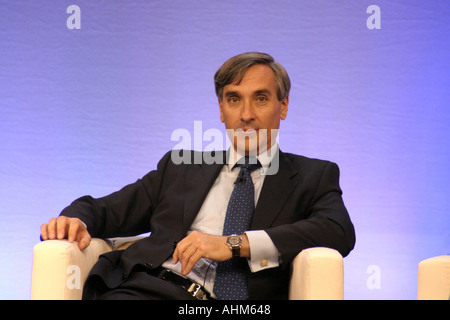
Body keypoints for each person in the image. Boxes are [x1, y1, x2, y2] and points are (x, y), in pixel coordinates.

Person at [40, 52, 355, 300]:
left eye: (260, 98)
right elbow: (105, 210)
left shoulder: (312, 176)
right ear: (221, 110)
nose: (246, 114)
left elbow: (337, 230)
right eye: (234, 99)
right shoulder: (181, 167)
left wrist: (235, 244)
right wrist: (74, 220)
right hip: (146, 290)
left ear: (283, 105)